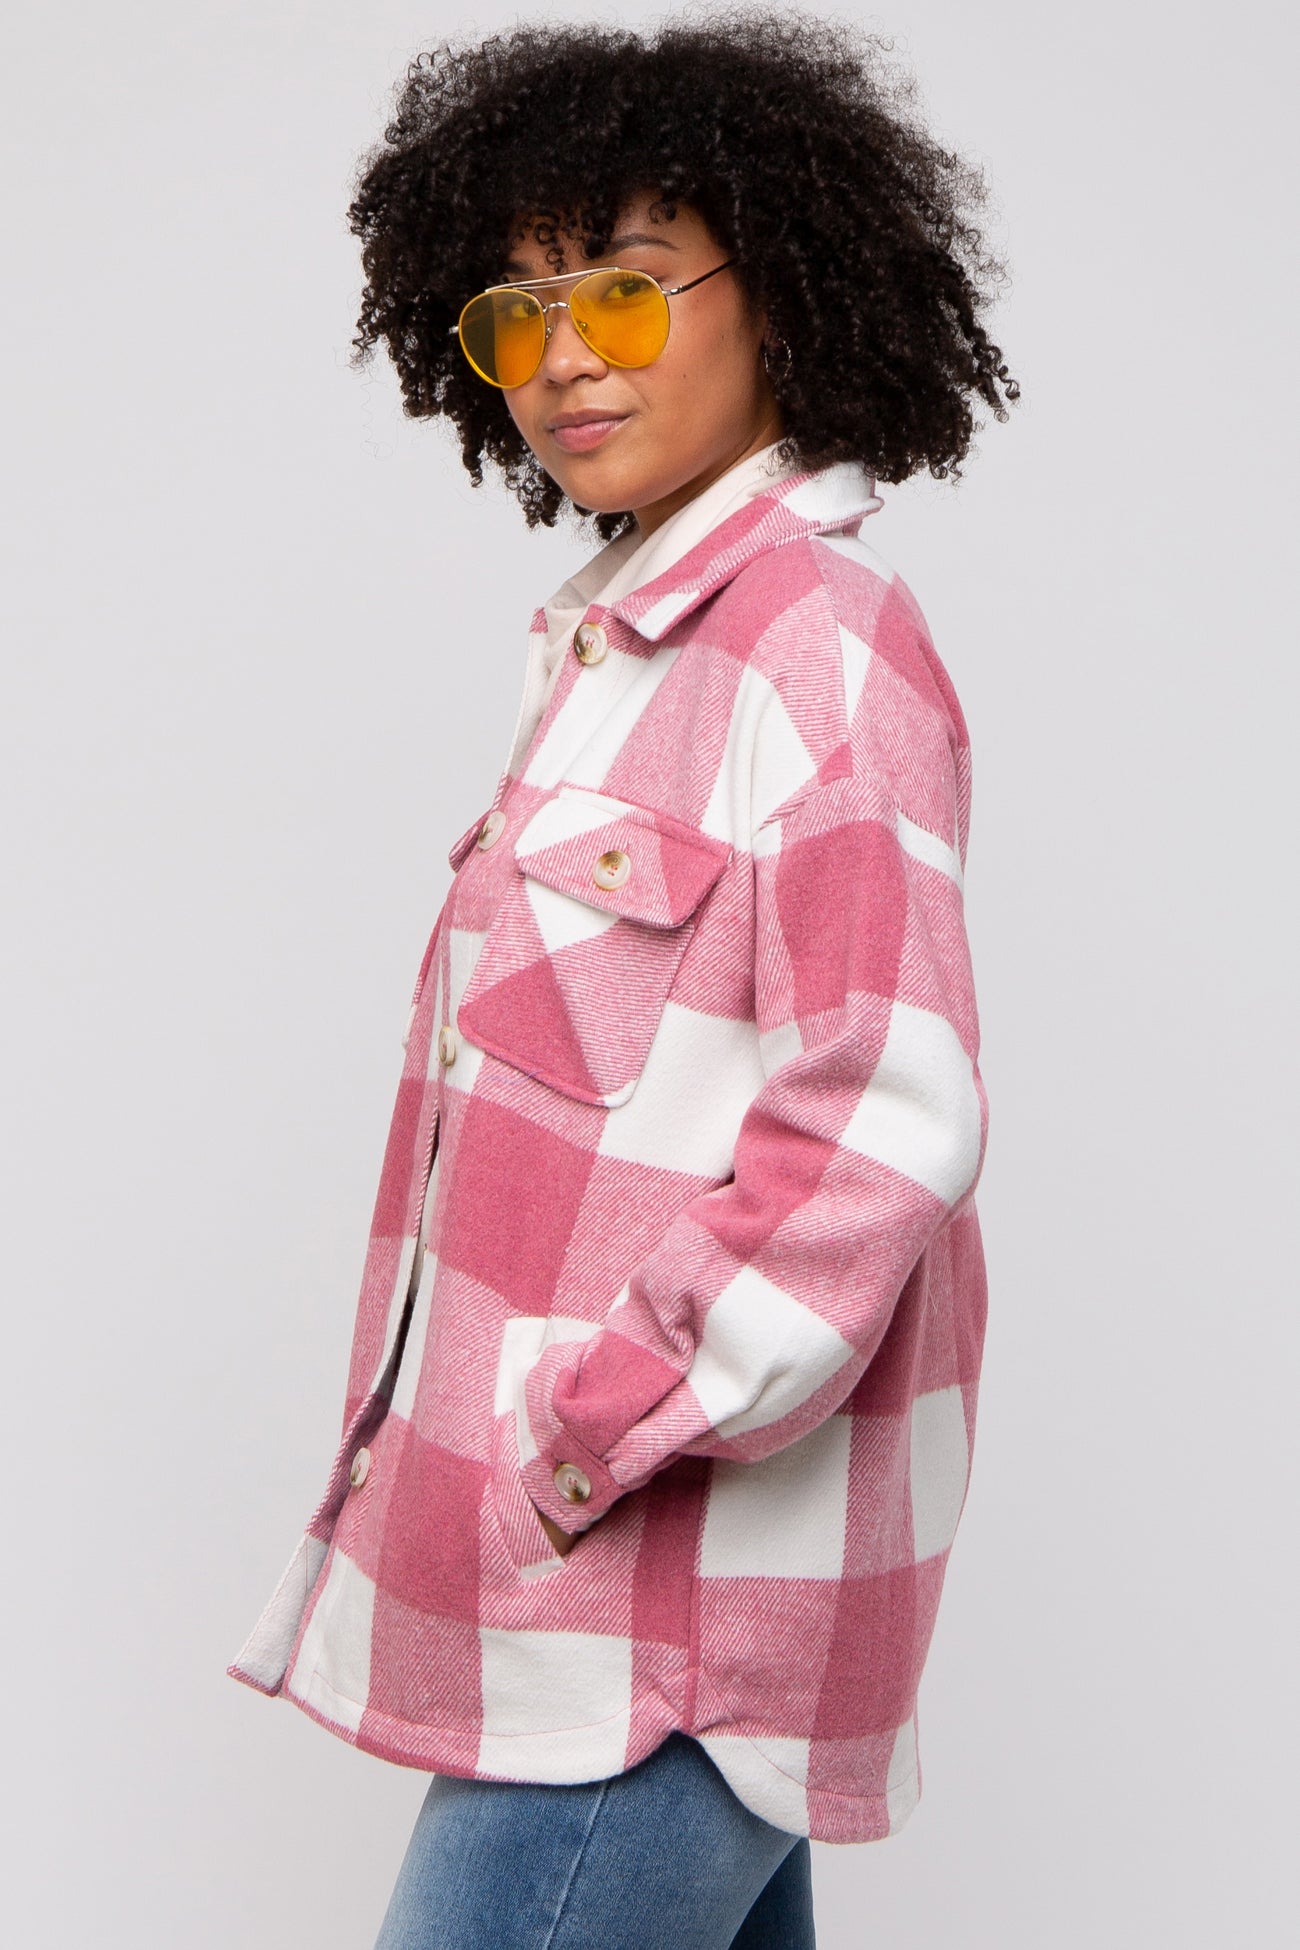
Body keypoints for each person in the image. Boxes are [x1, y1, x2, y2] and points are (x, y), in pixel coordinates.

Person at [227, 11, 1018, 1946]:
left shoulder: (816, 648)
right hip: (599, 1615)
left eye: (628, 291)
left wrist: (588, 1431)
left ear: (784, 291)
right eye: (516, 312)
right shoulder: (626, 654)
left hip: (661, 1625)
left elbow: (883, 1119)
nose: (565, 355)